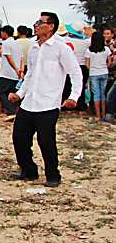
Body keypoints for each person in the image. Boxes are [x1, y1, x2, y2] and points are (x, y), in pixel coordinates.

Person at [9, 12, 82, 187]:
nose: (36, 25)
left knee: (46, 142)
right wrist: (20, 94)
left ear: (50, 27)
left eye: (40, 23)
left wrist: (74, 97)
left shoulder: (61, 47)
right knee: (19, 137)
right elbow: (30, 75)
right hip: (29, 103)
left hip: (48, 104)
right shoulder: (34, 47)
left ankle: (53, 176)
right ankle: (29, 171)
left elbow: (75, 73)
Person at [0, 25, 24, 119]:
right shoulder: (18, 44)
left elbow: (9, 57)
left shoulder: (6, 44)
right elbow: (22, 59)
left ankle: (11, 111)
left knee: (0, 92)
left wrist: (16, 68)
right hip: (16, 74)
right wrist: (21, 70)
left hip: (7, 73)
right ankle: (12, 112)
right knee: (12, 93)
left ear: (4, 33)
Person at [85, 31, 112, 121]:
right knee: (103, 93)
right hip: (104, 72)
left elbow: (87, 64)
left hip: (94, 73)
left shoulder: (89, 50)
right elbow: (110, 62)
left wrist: (92, 69)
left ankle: (98, 115)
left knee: (96, 94)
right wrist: (105, 68)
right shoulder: (106, 49)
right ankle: (104, 114)